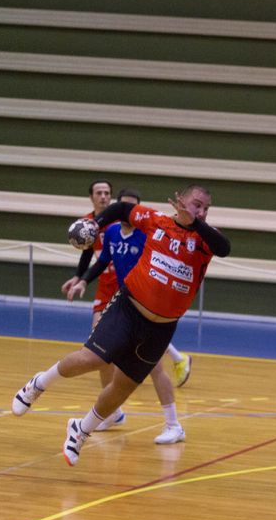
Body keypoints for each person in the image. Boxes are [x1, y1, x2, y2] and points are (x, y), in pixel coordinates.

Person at [12, 184, 230, 466]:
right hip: (129, 309)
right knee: (91, 359)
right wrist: (96, 223)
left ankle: (81, 430)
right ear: (180, 201)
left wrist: (197, 222)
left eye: (206, 208)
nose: (201, 211)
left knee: (123, 387)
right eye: (196, 204)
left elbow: (225, 248)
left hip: (161, 328)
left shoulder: (205, 239)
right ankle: (39, 384)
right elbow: (122, 209)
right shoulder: (157, 221)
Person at [63, 187, 185, 445]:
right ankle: (112, 413)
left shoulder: (149, 235)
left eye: (134, 207)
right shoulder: (111, 233)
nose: (130, 212)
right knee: (100, 354)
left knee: (155, 367)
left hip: (147, 307)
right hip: (124, 304)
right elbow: (101, 261)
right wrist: (83, 280)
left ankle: (174, 424)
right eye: (125, 207)